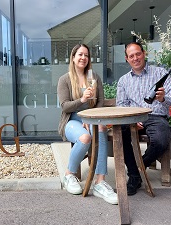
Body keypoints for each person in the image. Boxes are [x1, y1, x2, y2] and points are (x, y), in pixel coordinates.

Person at [57, 44, 118, 205]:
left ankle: (100, 183)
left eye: (86, 55)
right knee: (85, 138)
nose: (83, 58)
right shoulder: (65, 79)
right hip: (72, 120)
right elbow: (65, 106)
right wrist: (82, 100)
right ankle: (69, 175)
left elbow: (100, 103)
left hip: (91, 119)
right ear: (73, 57)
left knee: (101, 128)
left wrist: (91, 117)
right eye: (80, 54)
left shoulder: (94, 77)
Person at [116, 42, 171, 196]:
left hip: (156, 116)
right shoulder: (123, 81)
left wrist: (163, 98)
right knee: (120, 134)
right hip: (133, 118)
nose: (135, 58)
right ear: (127, 59)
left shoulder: (160, 73)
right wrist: (130, 118)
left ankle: (136, 169)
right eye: (131, 56)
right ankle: (136, 176)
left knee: (161, 140)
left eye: (138, 54)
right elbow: (121, 105)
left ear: (144, 54)